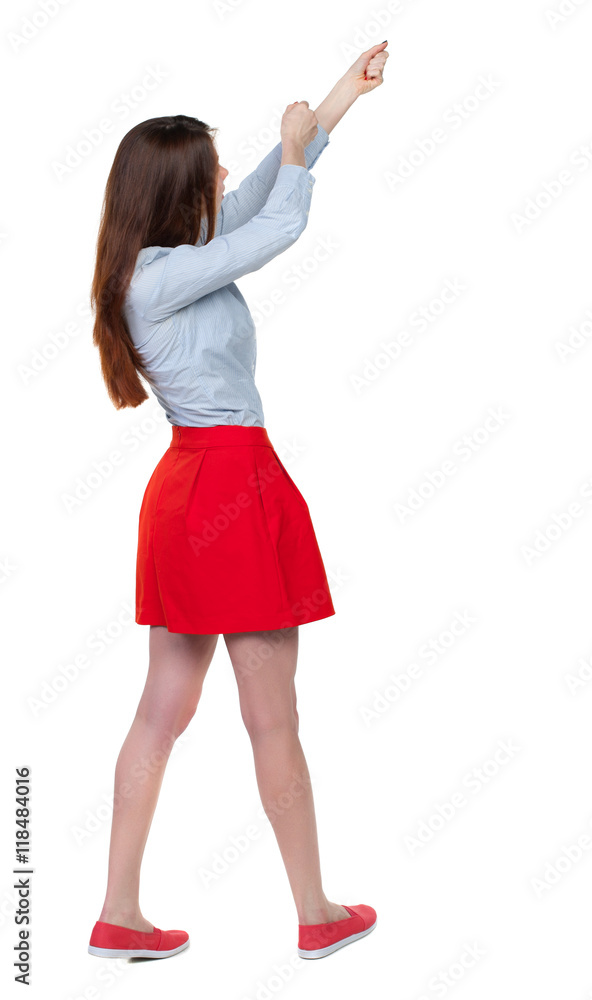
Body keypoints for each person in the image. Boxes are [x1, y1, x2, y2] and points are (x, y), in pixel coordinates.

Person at [87, 39, 389, 963]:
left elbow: (260, 198)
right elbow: (280, 226)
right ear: (177, 191)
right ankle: (315, 913)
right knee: (271, 718)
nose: (224, 172)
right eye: (209, 166)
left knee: (162, 710)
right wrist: (297, 152)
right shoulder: (164, 278)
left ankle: (118, 914)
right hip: (228, 486)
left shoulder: (167, 260)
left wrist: (340, 100)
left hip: (194, 490)